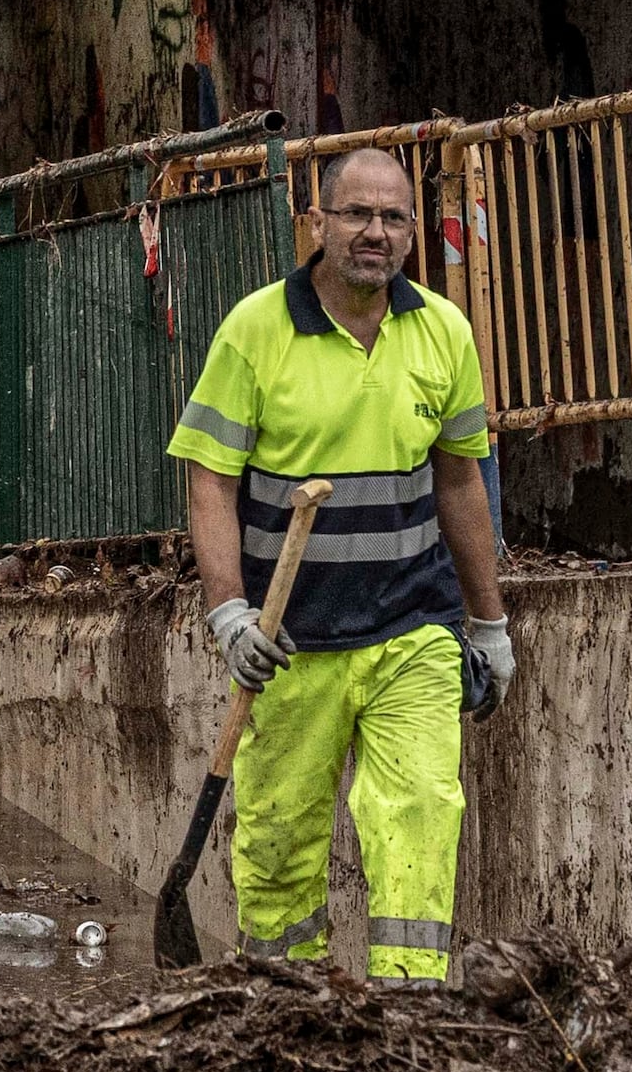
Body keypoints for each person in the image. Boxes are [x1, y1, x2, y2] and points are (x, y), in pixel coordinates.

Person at [165, 145, 516, 984]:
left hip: (412, 627)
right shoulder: (256, 330)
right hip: (290, 642)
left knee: (422, 812)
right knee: (280, 838)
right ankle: (290, 1004)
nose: (376, 233)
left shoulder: (443, 331)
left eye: (394, 218)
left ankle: (409, 1005)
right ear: (319, 224)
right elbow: (210, 479)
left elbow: (461, 480)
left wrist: (489, 622)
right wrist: (228, 613)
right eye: (358, 214)